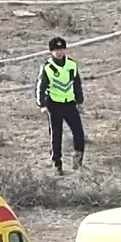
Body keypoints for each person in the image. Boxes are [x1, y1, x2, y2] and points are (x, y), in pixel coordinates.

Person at [37, 37, 86, 173]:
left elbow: (76, 84)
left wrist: (79, 101)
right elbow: (41, 87)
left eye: (61, 49)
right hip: (54, 105)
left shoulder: (72, 65)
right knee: (56, 135)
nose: (59, 52)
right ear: (52, 51)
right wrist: (43, 104)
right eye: (56, 50)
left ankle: (78, 161)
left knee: (79, 133)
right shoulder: (47, 67)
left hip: (70, 104)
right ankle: (57, 163)